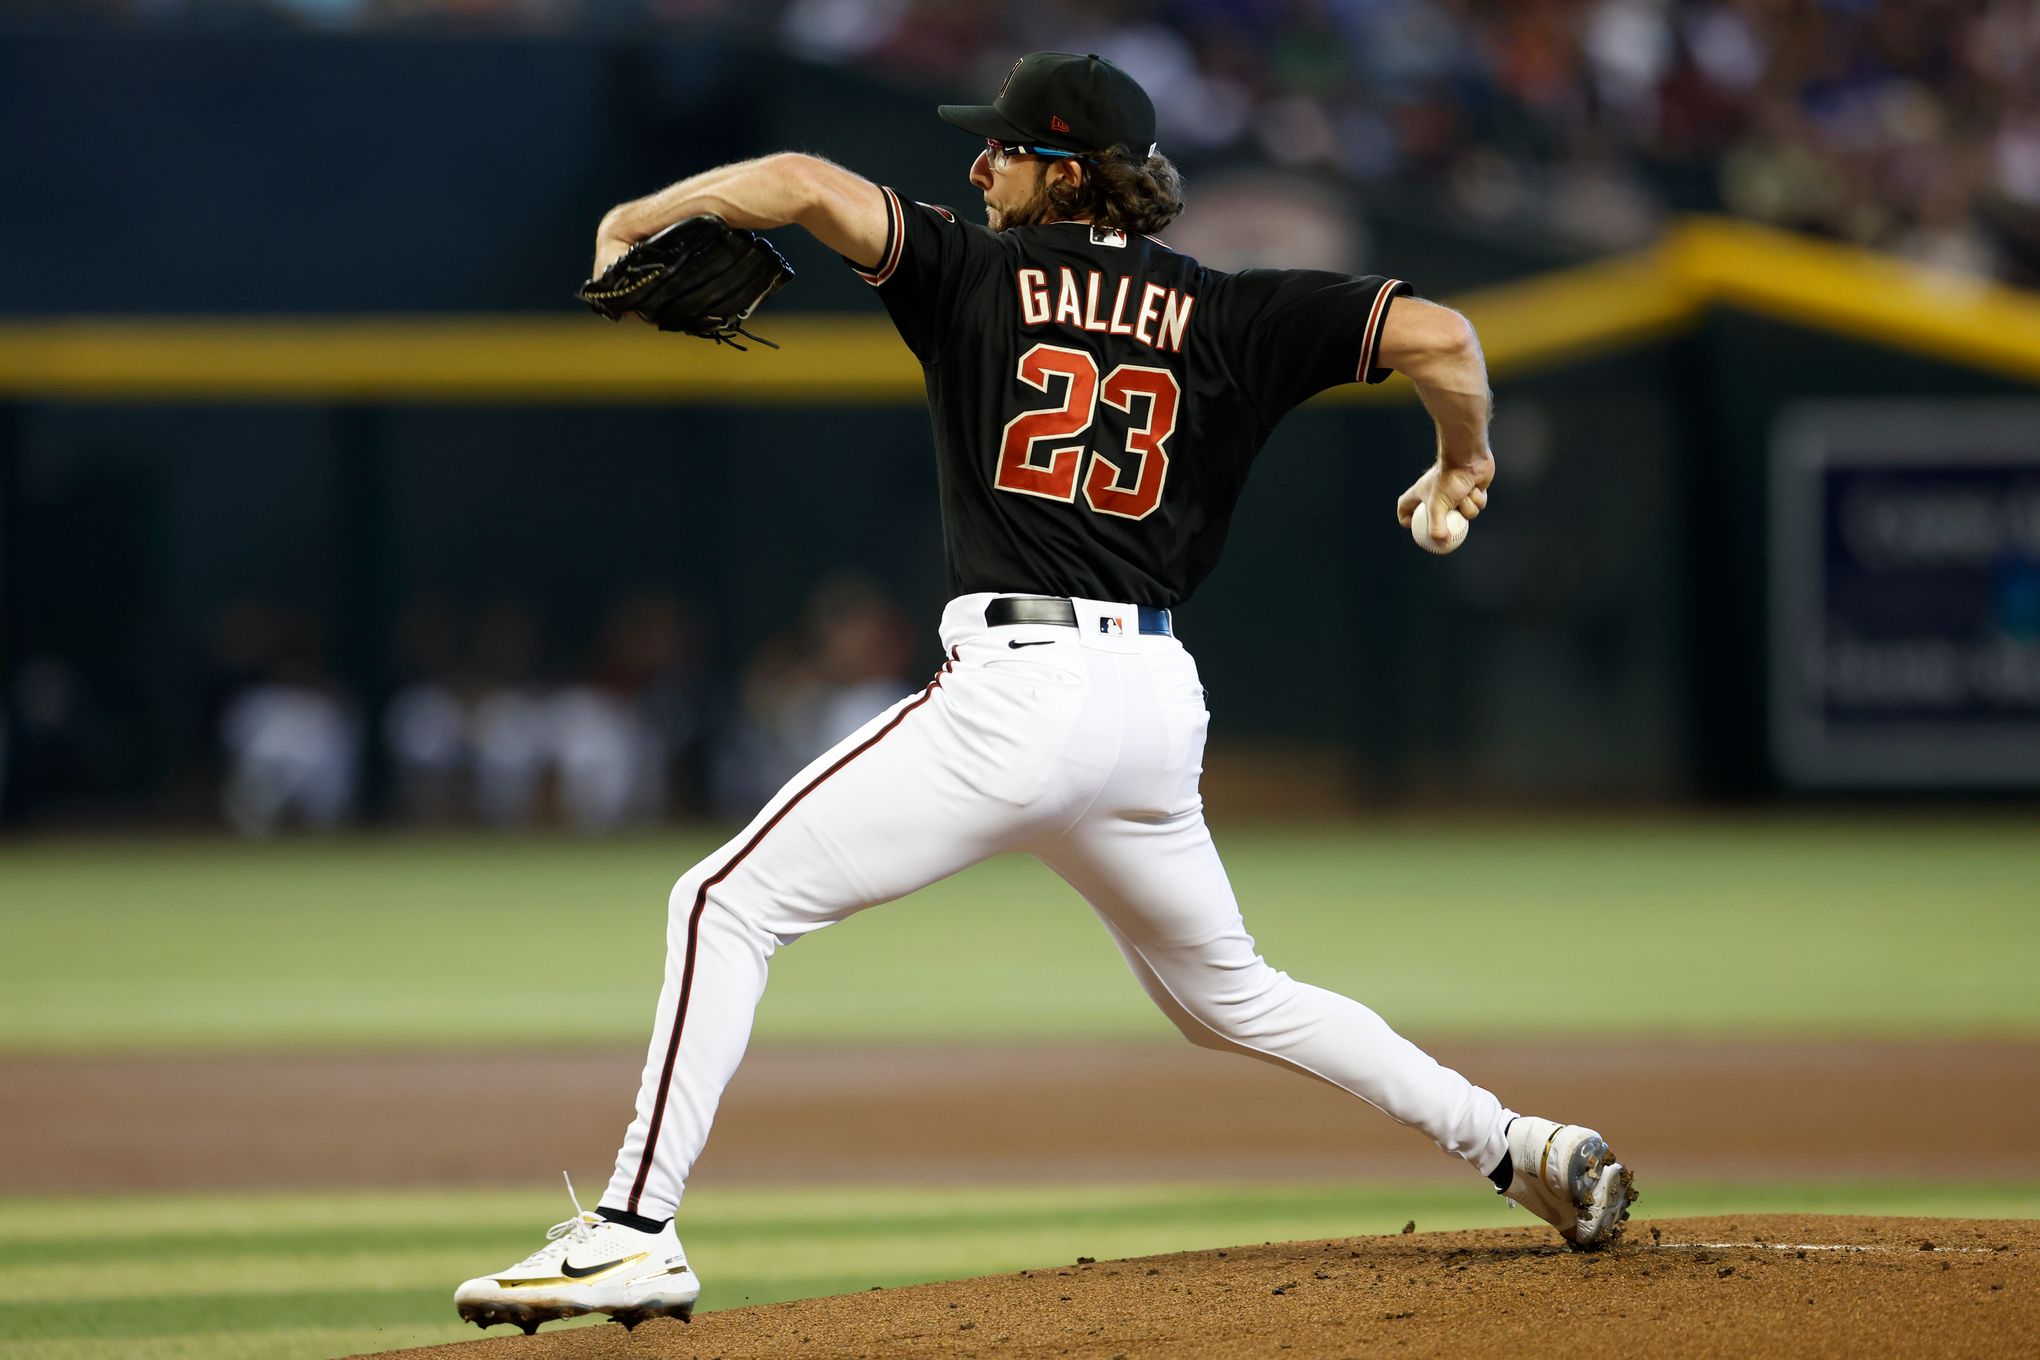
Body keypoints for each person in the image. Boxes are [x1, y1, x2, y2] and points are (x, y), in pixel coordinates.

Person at [454, 51, 1634, 1335]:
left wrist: (636, 218)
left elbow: (797, 183)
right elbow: (1443, 336)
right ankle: (1523, 1147)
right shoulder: (1228, 311)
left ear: (1065, 170)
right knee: (1233, 996)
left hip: (1021, 691)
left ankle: (631, 1229)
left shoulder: (968, 269)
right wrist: (1463, 465)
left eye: (1004, 148)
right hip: (1153, 704)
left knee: (721, 902)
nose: (979, 165)